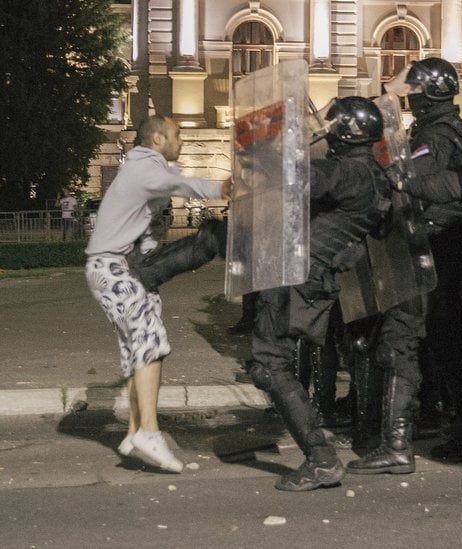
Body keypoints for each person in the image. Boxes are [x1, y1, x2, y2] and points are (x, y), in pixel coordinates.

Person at [243, 96, 390, 491]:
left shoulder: (349, 172)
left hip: (300, 279)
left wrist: (275, 153)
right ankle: (319, 456)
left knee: (270, 364)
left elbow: (306, 181)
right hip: (309, 278)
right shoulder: (372, 172)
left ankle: (321, 459)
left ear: (343, 133)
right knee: (272, 362)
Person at [84, 115, 230, 473]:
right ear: (159, 138)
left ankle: (135, 433)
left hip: (123, 267)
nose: (183, 141)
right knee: (151, 343)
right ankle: (149, 433)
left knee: (140, 351)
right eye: (178, 135)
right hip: (113, 267)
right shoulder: (143, 167)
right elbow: (174, 183)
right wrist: (220, 188)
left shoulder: (140, 167)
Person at [388, 57, 462, 460]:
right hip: (454, 246)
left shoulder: (438, 134)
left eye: (413, 91)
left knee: (451, 341)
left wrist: (404, 181)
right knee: (445, 341)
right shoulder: (453, 128)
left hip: (447, 248)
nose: (408, 97)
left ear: (428, 93)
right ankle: (451, 416)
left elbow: (440, 185)